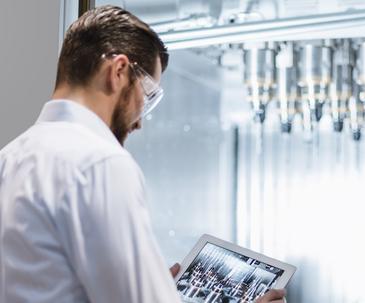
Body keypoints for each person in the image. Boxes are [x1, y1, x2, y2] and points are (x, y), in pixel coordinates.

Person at [0, 5, 286, 303]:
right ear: (118, 71)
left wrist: (151, 282)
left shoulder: (10, 157)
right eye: (147, 96)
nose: (139, 121)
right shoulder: (99, 163)